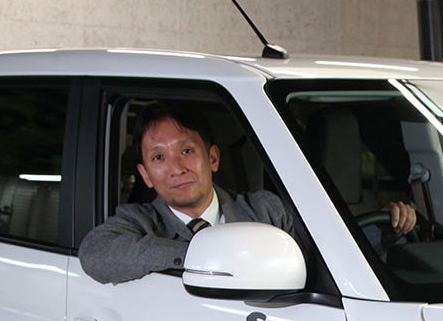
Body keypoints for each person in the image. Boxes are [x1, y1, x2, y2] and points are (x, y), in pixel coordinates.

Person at [79, 101, 416, 284]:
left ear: (212, 158)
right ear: (146, 176)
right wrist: (201, 256)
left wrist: (388, 229)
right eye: (158, 158)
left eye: (186, 151)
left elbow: (325, 259)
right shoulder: (139, 222)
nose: (176, 168)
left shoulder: (266, 211)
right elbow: (95, 254)